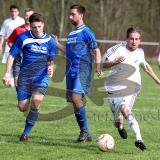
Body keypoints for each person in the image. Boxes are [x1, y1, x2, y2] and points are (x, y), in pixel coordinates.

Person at [102, 27, 160, 151]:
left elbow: (146, 67)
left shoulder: (140, 52)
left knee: (124, 109)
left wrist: (158, 81)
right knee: (118, 121)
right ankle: (120, 127)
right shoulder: (117, 49)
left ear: (140, 40)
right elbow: (103, 64)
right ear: (126, 39)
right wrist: (115, 62)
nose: (134, 41)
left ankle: (139, 139)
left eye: (136, 39)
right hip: (113, 87)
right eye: (131, 39)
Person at [2, 13, 57, 141]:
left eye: (39, 26)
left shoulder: (50, 41)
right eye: (34, 27)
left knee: (36, 103)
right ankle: (25, 105)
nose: (37, 30)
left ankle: (25, 134)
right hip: (25, 78)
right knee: (22, 107)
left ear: (43, 24)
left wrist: (51, 67)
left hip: (41, 78)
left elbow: (51, 60)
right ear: (30, 27)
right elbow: (11, 56)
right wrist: (7, 73)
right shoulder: (23, 38)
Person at [54, 4, 103, 142]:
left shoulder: (86, 32)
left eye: (72, 14)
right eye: (69, 14)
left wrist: (98, 66)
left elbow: (97, 50)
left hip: (83, 69)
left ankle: (85, 131)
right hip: (71, 70)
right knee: (74, 102)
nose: (70, 17)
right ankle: (85, 132)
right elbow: (68, 52)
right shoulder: (71, 33)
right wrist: (57, 44)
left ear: (81, 15)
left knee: (76, 98)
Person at [6, 8, 34, 87]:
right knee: (18, 86)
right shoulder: (18, 30)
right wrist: (16, 50)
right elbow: (9, 41)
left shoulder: (37, 30)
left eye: (30, 15)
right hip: (18, 62)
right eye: (26, 15)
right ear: (24, 17)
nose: (28, 17)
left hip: (32, 63)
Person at [0, 4, 25, 87]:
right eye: (12, 11)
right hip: (9, 44)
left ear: (18, 12)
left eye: (15, 11)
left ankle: (16, 81)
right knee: (9, 62)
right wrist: (0, 46)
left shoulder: (22, 21)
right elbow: (3, 34)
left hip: (19, 45)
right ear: (10, 12)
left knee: (18, 63)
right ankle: (10, 80)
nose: (14, 13)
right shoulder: (6, 22)